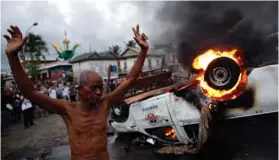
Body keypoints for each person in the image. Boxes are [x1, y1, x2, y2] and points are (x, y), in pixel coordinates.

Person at [3, 24, 149, 160]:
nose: (99, 92)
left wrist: (143, 51)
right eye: (93, 88)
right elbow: (31, 93)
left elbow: (129, 79)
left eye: (101, 87)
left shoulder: (105, 104)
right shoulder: (68, 109)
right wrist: (12, 57)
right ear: (80, 90)